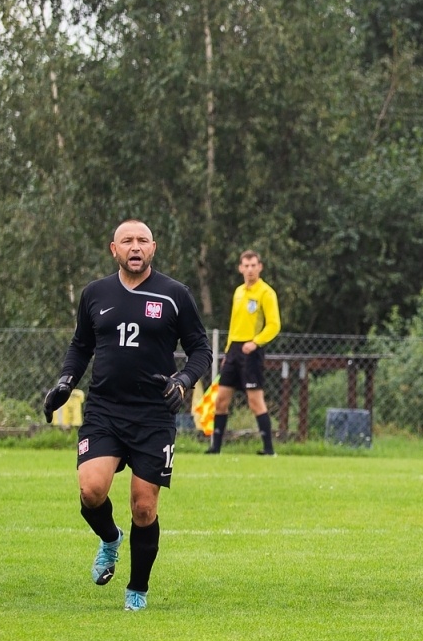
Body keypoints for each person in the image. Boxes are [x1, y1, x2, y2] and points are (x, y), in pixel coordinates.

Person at [43, 220, 212, 611]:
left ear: (153, 248)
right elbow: (81, 345)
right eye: (127, 241)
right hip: (105, 409)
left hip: (154, 414)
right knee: (91, 490)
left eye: (142, 241)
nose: (135, 247)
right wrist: (66, 382)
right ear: (113, 249)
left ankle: (137, 590)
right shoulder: (94, 294)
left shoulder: (175, 295)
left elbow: (200, 349)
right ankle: (110, 539)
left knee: (143, 506)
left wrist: (183, 380)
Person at [207, 250, 281, 455]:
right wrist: (227, 351)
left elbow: (274, 325)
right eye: (246, 266)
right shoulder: (239, 291)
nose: (249, 269)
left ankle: (268, 449)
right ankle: (215, 448)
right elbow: (233, 324)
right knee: (221, 399)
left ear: (260, 267)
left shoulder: (266, 292)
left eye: (253, 265)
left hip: (251, 351)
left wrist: (256, 342)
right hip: (234, 350)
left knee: (255, 401)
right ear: (240, 268)